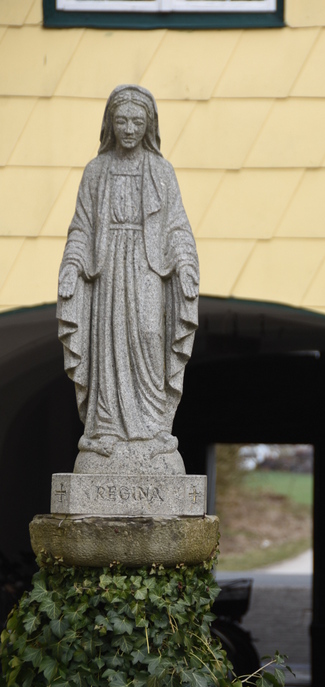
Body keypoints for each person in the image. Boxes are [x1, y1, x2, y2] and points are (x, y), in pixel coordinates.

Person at [57, 85, 199, 473]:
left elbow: (176, 227)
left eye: (137, 121)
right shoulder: (96, 171)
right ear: (110, 123)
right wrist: (72, 266)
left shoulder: (161, 171)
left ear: (149, 125)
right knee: (108, 341)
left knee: (150, 335)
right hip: (107, 268)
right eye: (122, 120)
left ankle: (153, 428)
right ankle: (104, 428)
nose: (130, 128)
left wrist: (185, 265)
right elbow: (82, 227)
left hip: (149, 266)